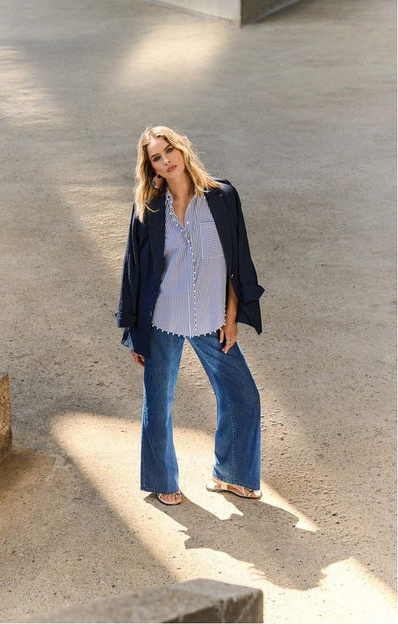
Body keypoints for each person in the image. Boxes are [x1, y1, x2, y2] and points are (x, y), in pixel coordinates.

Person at [115, 125, 265, 505]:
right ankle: (162, 481)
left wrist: (231, 317)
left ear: (182, 148)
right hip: (162, 319)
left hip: (211, 319)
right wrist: (135, 332)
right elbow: (134, 271)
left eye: (169, 150)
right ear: (151, 167)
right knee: (158, 404)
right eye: (157, 157)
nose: (167, 160)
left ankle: (230, 475)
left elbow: (237, 261)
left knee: (243, 395)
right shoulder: (149, 209)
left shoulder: (222, 197)